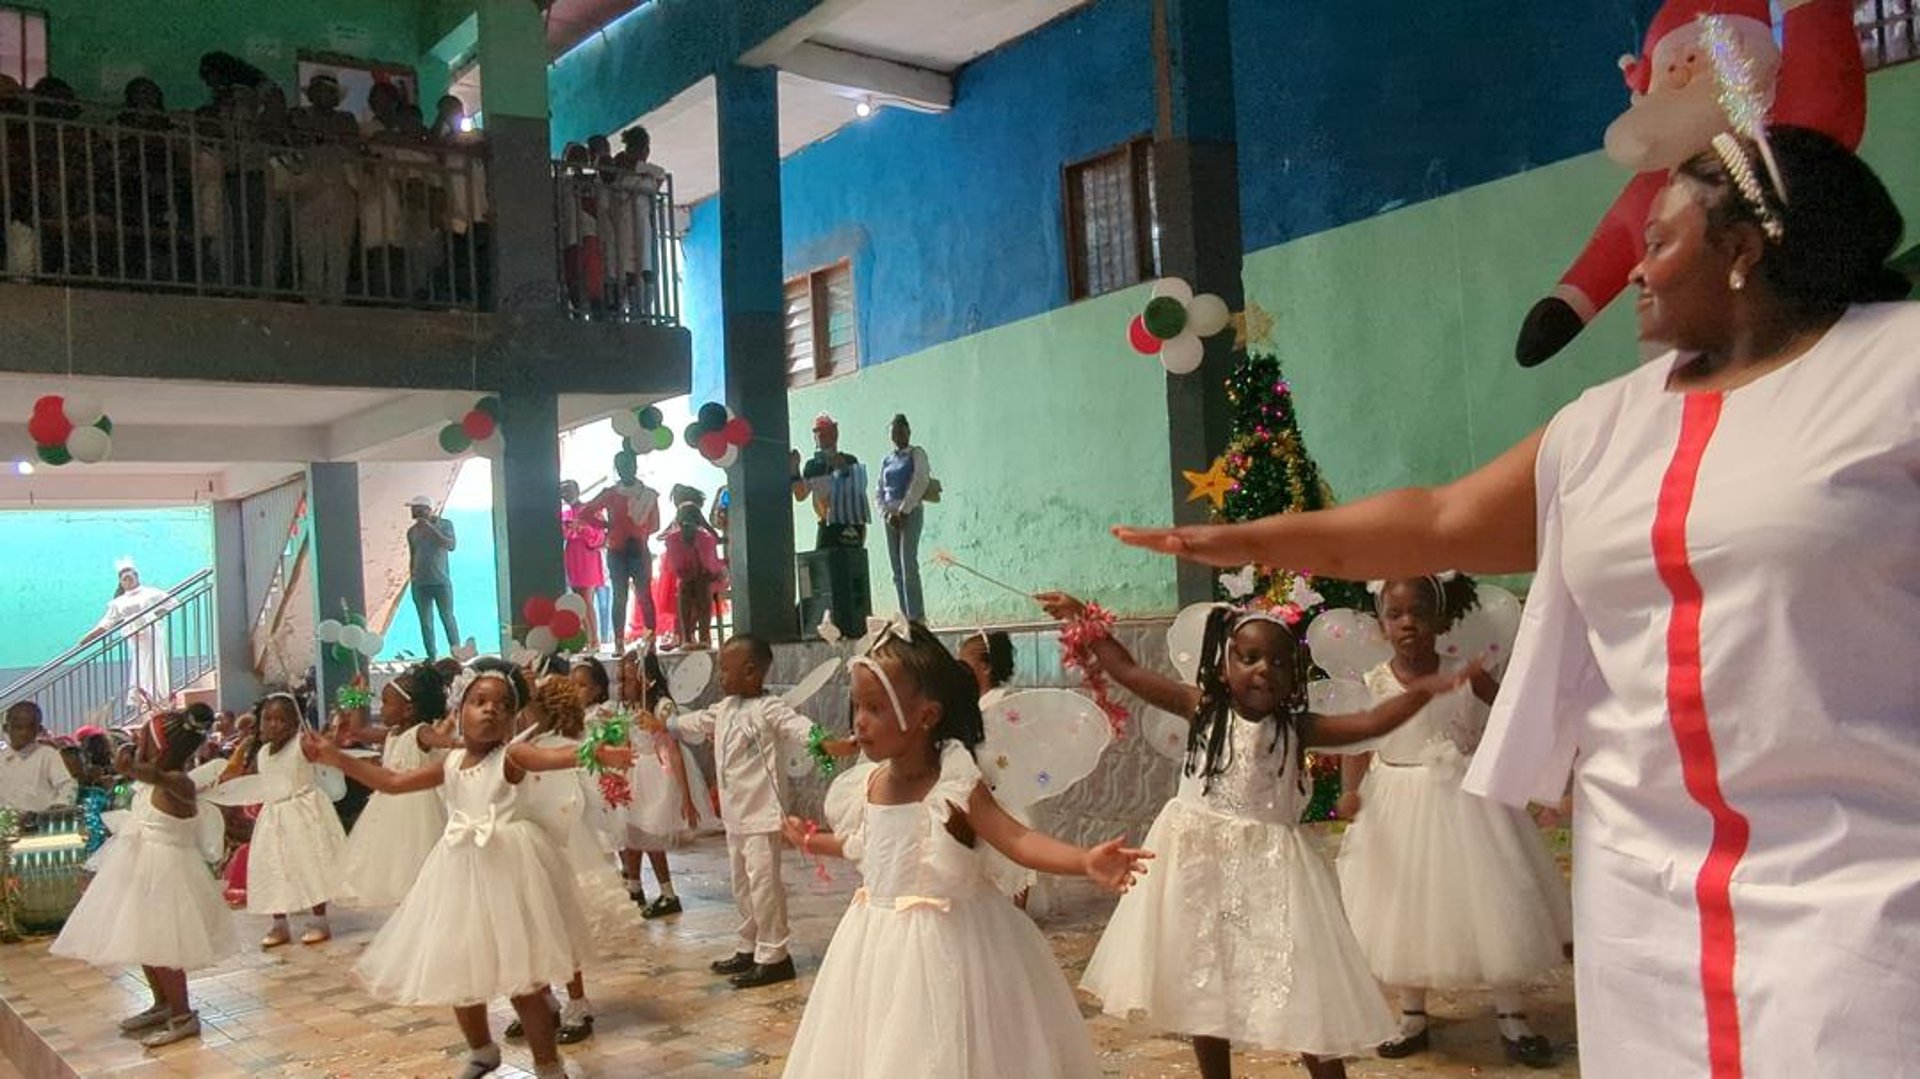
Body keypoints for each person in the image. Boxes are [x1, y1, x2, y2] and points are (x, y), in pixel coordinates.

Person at [1112, 126, 1918, 1073]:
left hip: (1856, 869)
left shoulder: (1895, 372)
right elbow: (1440, 516)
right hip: (1644, 876)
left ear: (1745, 249)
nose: (1632, 273)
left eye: (1658, 242)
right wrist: (1245, 536)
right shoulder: (1607, 424)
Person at [1040, 592, 1472, 1079]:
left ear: (1294, 677)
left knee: (1305, 982)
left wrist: (1423, 691)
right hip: (1198, 868)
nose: (1264, 668)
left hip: (1273, 871)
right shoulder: (1200, 708)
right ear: (1224, 667)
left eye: (1279, 661)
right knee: (1204, 981)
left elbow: (1369, 722)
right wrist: (1086, 625)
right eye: (1249, 658)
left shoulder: (1297, 728)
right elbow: (1132, 673)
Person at [778, 621, 1150, 1077]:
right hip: (874, 947)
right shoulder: (867, 785)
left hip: (953, 944)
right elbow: (865, 846)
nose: (859, 721)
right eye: (858, 705)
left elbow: (1016, 838)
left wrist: (1083, 860)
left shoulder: (955, 782)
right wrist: (809, 840)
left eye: (875, 708)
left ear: (927, 716)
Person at [307, 658, 636, 1079]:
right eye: (479, 701)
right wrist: (338, 759)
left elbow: (555, 756)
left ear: (512, 718)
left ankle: (548, 1065)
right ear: (459, 712)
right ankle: (482, 1050)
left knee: (524, 982)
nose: (489, 710)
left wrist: (602, 752)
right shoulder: (449, 763)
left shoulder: (512, 755)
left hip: (509, 871)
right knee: (457, 967)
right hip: (458, 870)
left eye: (500, 705)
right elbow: (391, 782)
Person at [1335, 576, 1570, 1067]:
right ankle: (1413, 1011)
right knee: (1404, 906)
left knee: (1488, 902)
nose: (1408, 624)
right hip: (1395, 803)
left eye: (1418, 613)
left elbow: (1508, 714)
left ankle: (1510, 1012)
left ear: (1440, 620)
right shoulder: (1374, 681)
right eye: (1396, 615)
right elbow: (1358, 745)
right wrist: (1350, 793)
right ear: (1382, 625)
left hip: (1466, 805)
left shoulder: (1464, 672)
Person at [641, 636, 827, 988]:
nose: (720, 676)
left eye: (726, 669)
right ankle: (748, 944)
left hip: (762, 815)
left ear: (752, 672)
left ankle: (775, 955)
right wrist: (664, 725)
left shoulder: (769, 709)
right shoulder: (726, 708)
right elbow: (696, 721)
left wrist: (824, 741)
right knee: (742, 884)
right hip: (734, 816)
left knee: (764, 885)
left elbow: (798, 727)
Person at [51, 710, 237, 1048]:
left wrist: (133, 766)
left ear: (160, 749)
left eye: (141, 742)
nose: (135, 747)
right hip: (139, 868)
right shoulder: (151, 780)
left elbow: (158, 779)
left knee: (165, 945)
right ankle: (161, 1002)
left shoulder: (179, 782)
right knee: (145, 942)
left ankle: (183, 1014)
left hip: (167, 873)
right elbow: (144, 782)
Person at [503, 674, 637, 1045]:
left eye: (526, 709)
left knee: (562, 925)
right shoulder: (523, 745)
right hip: (525, 847)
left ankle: (577, 1002)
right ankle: (543, 1000)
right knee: (532, 924)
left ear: (543, 712)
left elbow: (570, 800)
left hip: (558, 845)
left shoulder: (558, 748)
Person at [333, 665, 453, 909]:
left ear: (408, 709)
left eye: (386, 703)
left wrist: (465, 741)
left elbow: (446, 742)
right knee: (390, 858)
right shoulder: (392, 734)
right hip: (387, 803)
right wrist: (358, 695)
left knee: (412, 856)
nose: (382, 708)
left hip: (417, 805)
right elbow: (357, 730)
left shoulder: (421, 732)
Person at [607, 648, 711, 917]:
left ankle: (668, 892)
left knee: (650, 833)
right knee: (630, 831)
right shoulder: (629, 707)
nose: (623, 687)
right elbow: (628, 741)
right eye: (621, 681)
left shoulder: (661, 707)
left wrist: (686, 797)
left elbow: (672, 751)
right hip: (634, 771)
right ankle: (634, 886)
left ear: (647, 679)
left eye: (628, 680)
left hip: (657, 772)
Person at [245, 692, 346, 947]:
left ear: (295, 724)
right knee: (275, 868)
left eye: (281, 720)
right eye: (268, 719)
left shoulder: (302, 745)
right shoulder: (263, 753)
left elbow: (327, 751)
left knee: (309, 864)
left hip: (302, 815)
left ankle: (319, 920)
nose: (273, 725)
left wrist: (327, 736)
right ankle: (279, 924)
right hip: (274, 817)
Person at [584, 453, 660, 653]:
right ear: (617, 469)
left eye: (629, 464)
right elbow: (585, 512)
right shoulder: (611, 493)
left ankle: (651, 641)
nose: (626, 469)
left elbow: (655, 525)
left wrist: (638, 534)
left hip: (638, 550)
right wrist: (607, 526)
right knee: (621, 596)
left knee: (644, 595)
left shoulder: (649, 494)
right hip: (618, 551)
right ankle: (619, 642)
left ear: (635, 466)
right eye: (621, 466)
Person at [81, 560, 176, 709]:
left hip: (151, 632)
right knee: (140, 664)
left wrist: (154, 616)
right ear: (121, 582)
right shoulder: (118, 602)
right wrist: (88, 637)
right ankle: (144, 698)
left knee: (154, 662)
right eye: (124, 578)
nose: (128, 580)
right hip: (135, 637)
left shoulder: (151, 593)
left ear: (136, 577)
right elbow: (107, 622)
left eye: (130, 577)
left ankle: (158, 696)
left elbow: (171, 603)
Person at [875, 414, 933, 622]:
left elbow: (920, 480)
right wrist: (886, 513)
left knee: (908, 563)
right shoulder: (887, 460)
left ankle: (917, 616)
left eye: (901, 431)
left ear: (908, 431)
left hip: (910, 512)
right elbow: (879, 490)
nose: (897, 436)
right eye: (893, 433)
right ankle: (905, 616)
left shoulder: (917, 454)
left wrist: (903, 510)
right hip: (890, 516)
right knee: (896, 569)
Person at [792, 414, 869, 550]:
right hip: (826, 524)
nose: (821, 436)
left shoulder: (849, 460)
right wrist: (794, 470)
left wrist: (842, 467)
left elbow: (859, 489)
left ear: (834, 434)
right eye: (817, 433)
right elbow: (800, 495)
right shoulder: (812, 466)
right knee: (823, 566)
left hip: (849, 523)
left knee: (851, 565)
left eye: (825, 432)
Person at [661, 501, 726, 651]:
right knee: (695, 587)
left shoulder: (675, 539)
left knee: (692, 586)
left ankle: (692, 637)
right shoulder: (702, 538)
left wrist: (693, 574)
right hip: (698, 579)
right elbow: (707, 567)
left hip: (699, 578)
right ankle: (697, 636)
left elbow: (708, 568)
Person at [405, 495, 460, 658]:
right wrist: (412, 578)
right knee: (426, 623)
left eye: (415, 508)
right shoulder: (412, 532)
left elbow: (451, 545)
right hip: (419, 584)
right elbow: (413, 555)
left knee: (447, 618)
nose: (412, 512)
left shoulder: (445, 524)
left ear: (426, 509)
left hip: (441, 582)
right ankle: (432, 657)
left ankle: (457, 653)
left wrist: (429, 527)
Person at [0, 701, 76, 815]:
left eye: (30, 727)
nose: (24, 733)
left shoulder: (48, 755)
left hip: (39, 822)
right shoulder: (2, 758)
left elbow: (67, 784)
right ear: (6, 728)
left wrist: (60, 804)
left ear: (39, 730)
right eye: (18, 727)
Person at [559, 481, 608, 651]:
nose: (566, 494)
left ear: (577, 491)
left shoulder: (591, 509)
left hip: (587, 556)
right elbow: (564, 534)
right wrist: (568, 528)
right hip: (572, 556)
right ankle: (586, 639)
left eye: (569, 490)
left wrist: (582, 528)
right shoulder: (564, 512)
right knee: (577, 600)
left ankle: (595, 639)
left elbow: (600, 536)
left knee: (587, 599)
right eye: (563, 491)